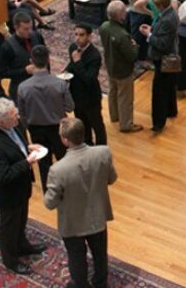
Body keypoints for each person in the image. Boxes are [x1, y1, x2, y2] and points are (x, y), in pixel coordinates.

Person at [44, 118, 117, 288]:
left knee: (77, 257)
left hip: (72, 223)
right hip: (98, 215)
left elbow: (49, 203)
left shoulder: (57, 169)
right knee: (100, 254)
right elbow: (112, 178)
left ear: (65, 140)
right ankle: (100, 283)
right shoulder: (103, 152)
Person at [0, 98, 46, 274]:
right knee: (9, 227)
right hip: (8, 193)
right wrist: (27, 162)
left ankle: (22, 245)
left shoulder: (12, 125)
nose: (18, 117)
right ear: (2, 121)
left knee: (21, 219)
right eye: (14, 116)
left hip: (21, 187)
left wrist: (28, 147)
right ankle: (10, 260)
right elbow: (3, 176)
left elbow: (17, 144)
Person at [17, 45, 73, 191]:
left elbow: (21, 114)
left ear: (31, 61)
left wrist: (29, 126)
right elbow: (70, 107)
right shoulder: (60, 84)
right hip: (58, 128)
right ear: (48, 60)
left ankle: (49, 191)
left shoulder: (23, 87)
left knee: (43, 164)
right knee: (63, 159)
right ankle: (67, 187)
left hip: (36, 129)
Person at [99, 1, 143, 134]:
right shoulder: (122, 35)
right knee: (125, 98)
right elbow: (132, 56)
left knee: (113, 92)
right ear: (120, 15)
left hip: (110, 66)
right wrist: (135, 46)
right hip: (123, 70)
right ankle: (126, 124)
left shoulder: (104, 26)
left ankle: (115, 116)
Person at [139, 0, 179, 132]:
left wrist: (149, 34)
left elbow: (162, 44)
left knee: (159, 91)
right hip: (168, 57)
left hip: (163, 59)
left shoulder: (167, 19)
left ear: (161, 6)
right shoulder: (169, 13)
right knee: (169, 86)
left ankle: (158, 123)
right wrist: (152, 30)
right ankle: (171, 110)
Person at [65, 24, 106, 145]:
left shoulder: (94, 55)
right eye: (76, 34)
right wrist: (65, 72)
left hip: (90, 97)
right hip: (76, 95)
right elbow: (71, 66)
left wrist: (77, 62)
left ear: (89, 36)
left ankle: (101, 148)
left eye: (81, 35)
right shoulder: (73, 47)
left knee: (97, 125)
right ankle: (87, 144)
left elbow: (89, 79)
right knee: (82, 124)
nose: (77, 38)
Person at [0, 11, 46, 102]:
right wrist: (24, 70)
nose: (30, 31)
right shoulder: (7, 47)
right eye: (26, 29)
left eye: (31, 28)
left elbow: (45, 57)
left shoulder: (36, 36)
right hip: (21, 89)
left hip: (41, 84)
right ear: (16, 27)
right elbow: (2, 72)